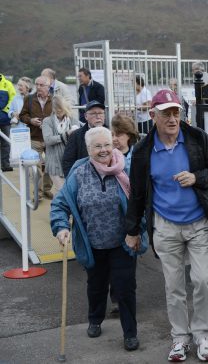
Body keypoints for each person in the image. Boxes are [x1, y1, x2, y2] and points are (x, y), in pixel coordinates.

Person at [125, 89, 208, 362]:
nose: (172, 119)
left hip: (198, 224)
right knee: (173, 286)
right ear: (153, 116)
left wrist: (196, 177)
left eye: (176, 112)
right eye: (166, 113)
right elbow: (137, 194)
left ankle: (202, 335)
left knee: (203, 279)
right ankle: (180, 338)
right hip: (165, 226)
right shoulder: (142, 151)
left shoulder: (196, 138)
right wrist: (132, 230)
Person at [50, 126, 147, 352]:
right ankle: (95, 319)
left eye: (107, 145)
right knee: (96, 286)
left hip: (124, 242)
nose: (104, 150)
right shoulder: (79, 172)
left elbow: (141, 202)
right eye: (98, 146)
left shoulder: (128, 168)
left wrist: (137, 230)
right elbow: (60, 204)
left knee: (125, 288)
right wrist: (61, 227)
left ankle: (130, 333)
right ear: (88, 149)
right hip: (92, 244)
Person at [19, 76, 53, 199]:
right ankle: (38, 194)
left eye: (41, 85)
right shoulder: (29, 99)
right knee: (36, 168)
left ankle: (47, 189)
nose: (38, 87)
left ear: (48, 87)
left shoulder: (55, 100)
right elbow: (22, 115)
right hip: (34, 138)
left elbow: (61, 116)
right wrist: (31, 120)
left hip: (50, 139)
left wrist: (49, 123)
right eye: (37, 84)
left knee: (50, 166)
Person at [41, 95, 80, 196]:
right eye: (56, 108)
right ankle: (58, 211)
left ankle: (58, 211)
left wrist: (74, 134)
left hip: (70, 162)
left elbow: (78, 139)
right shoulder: (47, 121)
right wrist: (66, 134)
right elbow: (48, 140)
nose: (58, 111)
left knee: (68, 192)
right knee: (62, 192)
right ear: (53, 108)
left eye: (61, 108)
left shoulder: (73, 120)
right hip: (54, 163)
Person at [61, 100, 106, 177]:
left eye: (100, 113)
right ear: (86, 116)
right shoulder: (76, 135)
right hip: (83, 178)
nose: (98, 116)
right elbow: (67, 162)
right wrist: (73, 181)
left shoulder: (110, 133)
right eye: (93, 113)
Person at [0, 74, 16, 172]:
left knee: (6, 143)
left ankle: (5, 165)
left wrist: (6, 110)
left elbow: (13, 98)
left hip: (5, 119)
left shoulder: (8, 84)